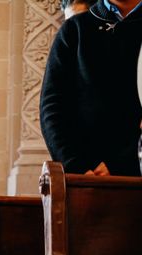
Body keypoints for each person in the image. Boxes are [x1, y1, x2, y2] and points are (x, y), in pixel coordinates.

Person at [40, 0, 142, 176]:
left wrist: (121, 164)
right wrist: (76, 167)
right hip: (84, 178)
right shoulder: (74, 29)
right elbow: (52, 107)